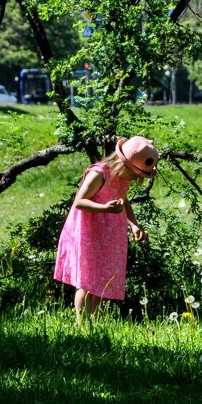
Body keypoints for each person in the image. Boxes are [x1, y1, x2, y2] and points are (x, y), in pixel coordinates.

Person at [54, 135, 159, 325]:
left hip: (110, 234)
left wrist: (134, 224)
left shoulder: (121, 178)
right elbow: (79, 201)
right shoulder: (99, 173)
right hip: (89, 232)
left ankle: (96, 324)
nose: (136, 179)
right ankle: (82, 326)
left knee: (104, 280)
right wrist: (105, 208)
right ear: (124, 164)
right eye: (136, 174)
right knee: (87, 281)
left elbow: (123, 199)